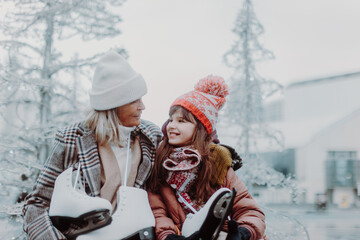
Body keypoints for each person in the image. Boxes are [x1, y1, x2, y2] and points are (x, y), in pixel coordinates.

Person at [22, 50, 162, 240]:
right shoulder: (71, 139)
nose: (142, 106)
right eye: (135, 100)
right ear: (114, 104)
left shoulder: (151, 138)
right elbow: (36, 205)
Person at [148, 75, 266, 240]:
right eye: (171, 119)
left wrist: (244, 233)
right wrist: (168, 236)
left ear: (201, 129)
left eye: (182, 121)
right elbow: (158, 212)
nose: (172, 126)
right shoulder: (160, 163)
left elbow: (248, 209)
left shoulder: (217, 162)